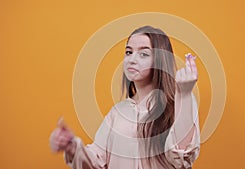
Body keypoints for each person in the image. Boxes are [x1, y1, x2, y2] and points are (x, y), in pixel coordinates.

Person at [49, 25, 200, 169]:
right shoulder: (118, 112)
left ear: (160, 61)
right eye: (129, 52)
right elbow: (96, 161)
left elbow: (182, 157)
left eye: (143, 54)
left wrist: (185, 94)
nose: (132, 59)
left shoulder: (180, 101)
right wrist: (72, 147)